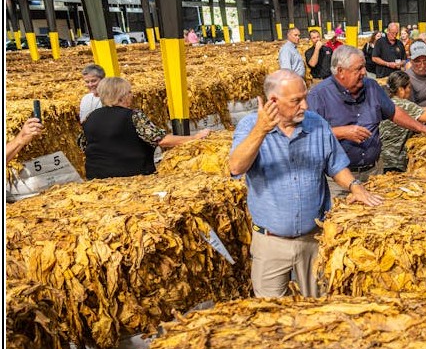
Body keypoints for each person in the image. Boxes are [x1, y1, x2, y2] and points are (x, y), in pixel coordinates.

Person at [229, 69, 383, 298]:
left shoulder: (317, 125)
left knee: (318, 310)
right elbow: (236, 167)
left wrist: (354, 186)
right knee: (271, 316)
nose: (305, 106)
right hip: (271, 243)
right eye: (296, 101)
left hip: (313, 240)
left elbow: (335, 164)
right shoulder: (250, 127)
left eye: (305, 97)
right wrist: (261, 131)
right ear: (273, 101)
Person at [305, 44, 426, 196]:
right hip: (339, 181)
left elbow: (393, 112)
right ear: (340, 71)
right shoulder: (318, 96)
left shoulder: (371, 86)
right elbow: (309, 135)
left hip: (374, 173)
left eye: (364, 67)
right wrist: (342, 132)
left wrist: (421, 128)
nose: (364, 72)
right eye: (358, 69)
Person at [81, 77, 210, 179]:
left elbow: (82, 144)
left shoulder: (90, 117)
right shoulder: (133, 116)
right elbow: (161, 140)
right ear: (122, 96)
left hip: (96, 177)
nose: (131, 95)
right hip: (132, 176)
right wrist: (194, 137)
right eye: (129, 92)